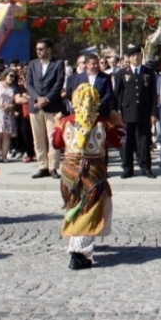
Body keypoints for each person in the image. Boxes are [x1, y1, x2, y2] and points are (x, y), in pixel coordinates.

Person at [52, 83, 126, 270]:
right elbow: (120, 140)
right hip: (93, 174)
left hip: (70, 173)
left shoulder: (66, 121)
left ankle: (79, 244)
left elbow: (55, 142)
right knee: (89, 210)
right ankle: (79, 253)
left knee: (76, 207)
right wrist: (119, 122)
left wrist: (55, 124)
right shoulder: (104, 122)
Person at [114, 45, 159, 179]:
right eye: (133, 55)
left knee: (144, 142)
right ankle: (128, 168)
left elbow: (152, 95)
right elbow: (117, 94)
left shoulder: (149, 72)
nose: (136, 57)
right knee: (127, 143)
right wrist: (117, 113)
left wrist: (154, 113)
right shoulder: (122, 73)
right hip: (127, 113)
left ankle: (146, 168)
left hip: (144, 112)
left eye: (138, 55)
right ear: (128, 58)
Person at [25, 38, 66, 179]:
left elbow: (58, 83)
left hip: (52, 106)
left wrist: (47, 99)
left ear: (49, 50)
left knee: (52, 138)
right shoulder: (32, 64)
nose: (38, 52)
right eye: (37, 49)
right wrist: (37, 98)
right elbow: (28, 83)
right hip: (35, 106)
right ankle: (42, 166)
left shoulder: (58, 64)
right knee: (38, 138)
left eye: (41, 49)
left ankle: (53, 167)